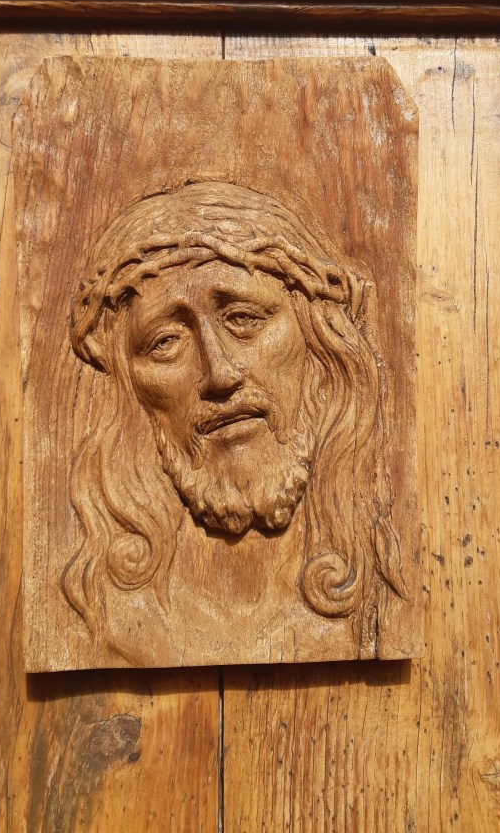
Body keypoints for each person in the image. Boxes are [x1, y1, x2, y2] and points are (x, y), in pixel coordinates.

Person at [65, 180, 406, 654]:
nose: (220, 374)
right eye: (165, 342)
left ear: (318, 339)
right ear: (130, 386)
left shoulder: (389, 580)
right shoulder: (111, 624)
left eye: (244, 319)